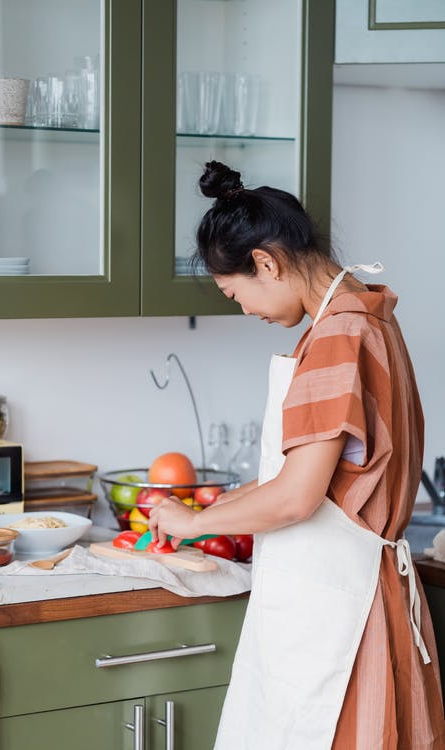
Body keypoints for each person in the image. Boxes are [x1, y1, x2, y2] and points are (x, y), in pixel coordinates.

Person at [149, 161, 445, 749]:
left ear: (266, 263)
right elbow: (333, 478)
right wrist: (234, 497)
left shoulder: (337, 337)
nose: (244, 309)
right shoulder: (368, 314)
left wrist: (194, 523)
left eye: (235, 293)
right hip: (355, 597)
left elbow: (297, 497)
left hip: (342, 619)